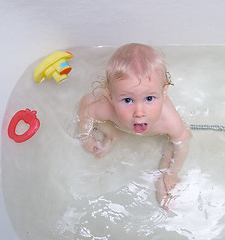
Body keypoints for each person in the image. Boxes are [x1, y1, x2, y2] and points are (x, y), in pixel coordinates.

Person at [78, 43, 191, 209]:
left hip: (163, 136)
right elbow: (87, 113)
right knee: (87, 101)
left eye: (150, 98)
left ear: (164, 92)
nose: (139, 112)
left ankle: (165, 177)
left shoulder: (168, 120)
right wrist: (86, 138)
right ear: (111, 96)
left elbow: (183, 140)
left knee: (174, 143)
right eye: (128, 100)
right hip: (114, 121)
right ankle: (113, 134)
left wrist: (173, 171)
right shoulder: (108, 108)